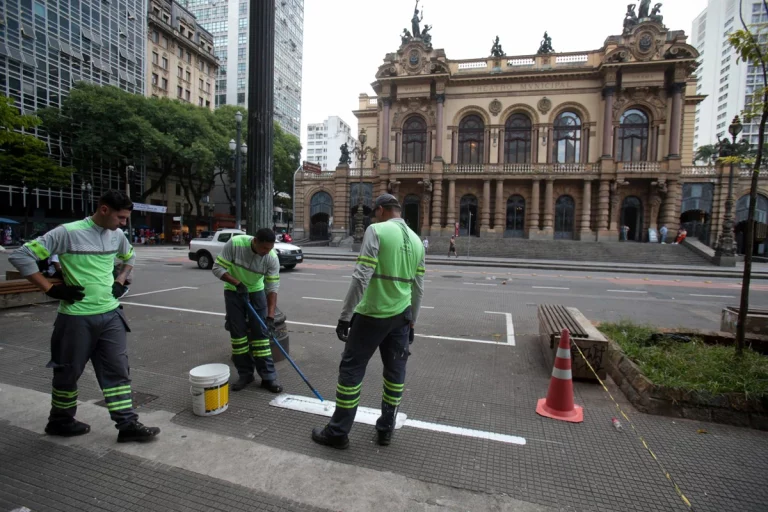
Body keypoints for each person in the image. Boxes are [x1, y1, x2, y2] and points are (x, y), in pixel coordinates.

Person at [8, 190, 160, 442]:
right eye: (120, 217)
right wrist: (51, 288)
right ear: (103, 210)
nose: (123, 223)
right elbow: (21, 255)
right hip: (75, 317)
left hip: (110, 315)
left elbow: (130, 255)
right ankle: (60, 420)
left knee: (118, 371)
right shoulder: (68, 232)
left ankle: (127, 425)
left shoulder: (117, 235)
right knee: (67, 372)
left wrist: (120, 280)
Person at [311, 194, 425, 449]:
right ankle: (386, 430)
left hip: (372, 315)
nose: (374, 217)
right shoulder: (418, 241)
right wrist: (413, 322)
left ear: (381, 210)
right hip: (402, 318)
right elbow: (419, 288)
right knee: (395, 375)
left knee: (351, 370)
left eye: (375, 213)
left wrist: (345, 315)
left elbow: (361, 276)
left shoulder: (376, 230)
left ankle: (338, 432)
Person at [212, 228, 283, 393]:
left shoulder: (271, 258)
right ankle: (245, 374)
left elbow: (272, 288)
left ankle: (268, 377)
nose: (267, 252)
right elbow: (217, 268)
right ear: (255, 241)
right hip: (233, 290)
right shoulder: (235, 244)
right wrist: (237, 284)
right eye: (264, 248)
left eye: (270, 249)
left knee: (261, 337)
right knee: (238, 337)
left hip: (257, 291)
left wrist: (270, 318)